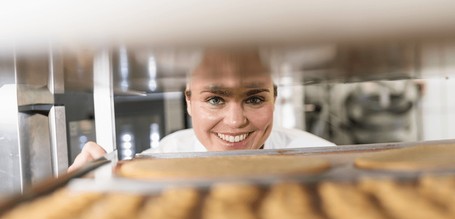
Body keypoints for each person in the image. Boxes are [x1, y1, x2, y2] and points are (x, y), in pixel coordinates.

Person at [68, 49, 334, 172]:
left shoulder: (326, 160)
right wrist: (83, 185)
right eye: (216, 99)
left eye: (254, 100)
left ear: (274, 100)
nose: (235, 121)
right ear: (189, 102)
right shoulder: (160, 163)